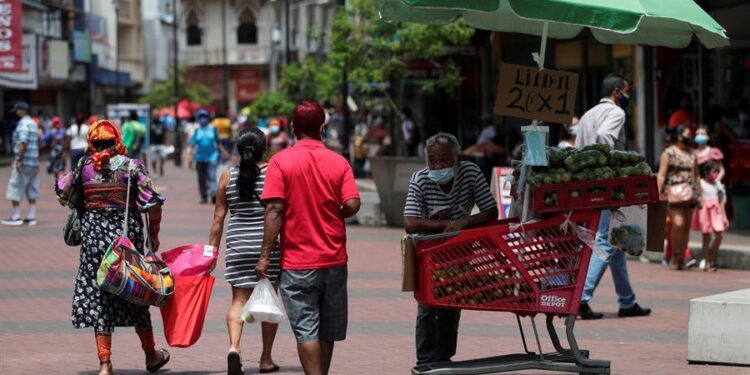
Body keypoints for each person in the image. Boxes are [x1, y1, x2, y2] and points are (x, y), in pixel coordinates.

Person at [55, 120, 168, 375]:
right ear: (117, 140)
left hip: (94, 240)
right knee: (136, 290)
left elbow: (62, 190)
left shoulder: (83, 166)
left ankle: (105, 364)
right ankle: (151, 355)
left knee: (100, 296)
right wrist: (154, 235)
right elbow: (153, 203)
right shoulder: (131, 166)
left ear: (92, 142)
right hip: (126, 239)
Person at [256, 100, 361, 375]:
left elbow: (275, 209)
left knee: (307, 332)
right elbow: (352, 205)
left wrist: (265, 256)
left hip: (297, 263)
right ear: (322, 128)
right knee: (327, 331)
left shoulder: (280, 162)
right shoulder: (339, 162)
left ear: (292, 128)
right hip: (334, 260)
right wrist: (333, 212)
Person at [404, 132, 498, 365]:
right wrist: (447, 225)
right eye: (433, 160)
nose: (438, 166)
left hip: (458, 250)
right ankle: (425, 361)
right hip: (428, 250)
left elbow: (490, 211)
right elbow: (410, 222)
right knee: (427, 306)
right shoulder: (420, 179)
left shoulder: (470, 173)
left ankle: (444, 358)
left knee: (451, 303)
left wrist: (465, 222)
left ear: (456, 158)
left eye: (444, 160)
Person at [575, 74, 651, 319]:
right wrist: (618, 164)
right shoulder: (616, 113)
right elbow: (606, 137)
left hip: (589, 185)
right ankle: (582, 299)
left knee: (616, 241)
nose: (627, 96)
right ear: (617, 92)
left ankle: (627, 302)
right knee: (607, 242)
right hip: (608, 184)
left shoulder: (587, 115)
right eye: (626, 91)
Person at [208, 128, 281, 374]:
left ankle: (234, 348)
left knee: (238, 300)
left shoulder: (228, 175)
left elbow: (218, 218)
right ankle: (266, 359)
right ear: (265, 148)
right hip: (266, 245)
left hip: (238, 244)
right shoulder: (274, 173)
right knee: (269, 301)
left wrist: (211, 252)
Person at [657, 125, 702, 270]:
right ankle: (674, 254)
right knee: (678, 223)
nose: (689, 137)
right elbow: (662, 174)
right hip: (673, 194)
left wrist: (699, 193)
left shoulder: (692, 154)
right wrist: (657, 194)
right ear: (678, 136)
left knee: (686, 228)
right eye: (687, 134)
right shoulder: (668, 153)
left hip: (690, 194)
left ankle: (681, 257)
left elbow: (696, 175)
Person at [2, 102, 40, 226]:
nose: (17, 112)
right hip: (34, 161)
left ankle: (16, 216)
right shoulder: (34, 124)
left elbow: (23, 143)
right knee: (32, 187)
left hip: (24, 162)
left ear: (22, 111)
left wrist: (19, 159)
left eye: (18, 110)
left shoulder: (23, 124)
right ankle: (31, 216)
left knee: (15, 187)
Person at [690, 160, 728, 272]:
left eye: (717, 171)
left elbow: (721, 201)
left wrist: (724, 217)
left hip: (716, 212)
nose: (715, 174)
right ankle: (707, 262)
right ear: (706, 172)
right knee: (706, 237)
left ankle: (711, 256)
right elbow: (696, 188)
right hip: (705, 212)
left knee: (720, 235)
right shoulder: (701, 183)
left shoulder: (718, 184)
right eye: (713, 171)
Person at [189, 109, 225, 204]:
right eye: (201, 117)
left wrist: (225, 154)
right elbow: (192, 145)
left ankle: (213, 194)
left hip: (212, 157)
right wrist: (190, 160)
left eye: (204, 117)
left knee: (212, 176)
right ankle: (203, 196)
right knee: (201, 178)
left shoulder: (213, 129)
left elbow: (218, 143)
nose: (202, 119)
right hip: (200, 158)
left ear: (208, 118)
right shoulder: (197, 131)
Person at [41, 116, 68, 180]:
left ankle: (58, 182)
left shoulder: (51, 132)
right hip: (61, 153)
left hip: (54, 154)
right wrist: (65, 152)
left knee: (55, 170)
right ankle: (61, 183)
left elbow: (44, 139)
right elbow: (66, 142)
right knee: (61, 169)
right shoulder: (63, 131)